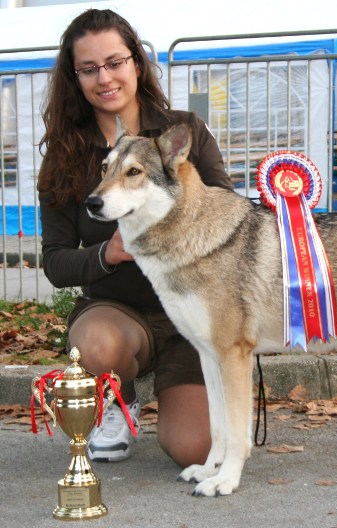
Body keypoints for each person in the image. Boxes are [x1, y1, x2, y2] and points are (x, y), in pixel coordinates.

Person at [37, 9, 233, 467]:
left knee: (195, 450)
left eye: (114, 62)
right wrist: (109, 252)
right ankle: (118, 401)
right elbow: (55, 261)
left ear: (137, 64)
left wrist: (170, 230)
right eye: (89, 68)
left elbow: (225, 208)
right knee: (98, 344)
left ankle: (190, 394)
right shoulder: (64, 156)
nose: (104, 77)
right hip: (118, 312)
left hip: (194, 312)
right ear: (75, 78)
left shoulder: (184, 132)